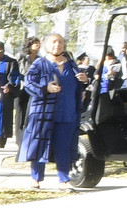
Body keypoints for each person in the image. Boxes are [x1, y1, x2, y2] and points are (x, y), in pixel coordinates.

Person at [21, 33, 82, 187]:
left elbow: (78, 87)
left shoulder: (72, 65)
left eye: (60, 42)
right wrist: (45, 88)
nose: (57, 45)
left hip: (67, 113)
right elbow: (28, 83)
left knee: (64, 148)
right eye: (54, 42)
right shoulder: (40, 64)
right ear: (47, 45)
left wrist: (85, 81)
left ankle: (64, 179)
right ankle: (36, 178)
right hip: (44, 113)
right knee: (40, 145)